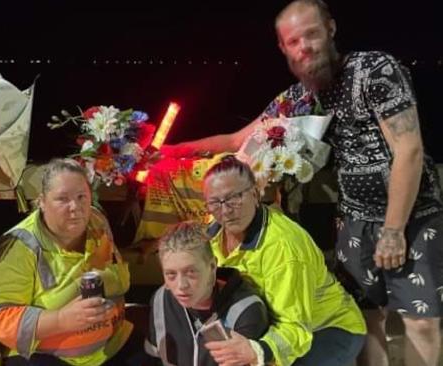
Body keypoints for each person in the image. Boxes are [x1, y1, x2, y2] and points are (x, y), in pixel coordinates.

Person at [165, 1, 443, 365]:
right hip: (355, 223)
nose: (304, 46)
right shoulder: (301, 97)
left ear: (330, 28)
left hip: (411, 217)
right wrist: (172, 151)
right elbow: (238, 140)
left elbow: (409, 149)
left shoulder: (374, 69)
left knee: (420, 323)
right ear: (284, 49)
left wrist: (394, 229)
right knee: (369, 317)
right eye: (293, 41)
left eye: (311, 34)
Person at [201, 156, 366, 366]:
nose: (225, 211)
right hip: (266, 321)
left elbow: (295, 327)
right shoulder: (211, 232)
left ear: (254, 193)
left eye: (234, 198)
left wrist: (256, 351)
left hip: (325, 329)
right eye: (215, 202)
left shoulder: (284, 248)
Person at [0, 158, 140, 366]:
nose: (75, 207)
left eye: (81, 197)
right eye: (62, 199)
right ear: (41, 201)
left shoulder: (97, 221)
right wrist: (60, 319)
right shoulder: (19, 246)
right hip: (49, 357)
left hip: (111, 347)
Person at [144, 220, 269, 366]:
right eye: (171, 275)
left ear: (212, 266)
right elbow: (153, 357)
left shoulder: (246, 310)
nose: (181, 285)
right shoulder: (161, 300)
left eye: (191, 272)